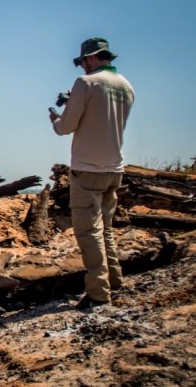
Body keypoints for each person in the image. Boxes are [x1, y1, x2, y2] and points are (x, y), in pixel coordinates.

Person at [49, 37, 135, 309]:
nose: (82, 67)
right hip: (114, 167)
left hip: (87, 168)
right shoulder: (126, 87)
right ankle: (115, 279)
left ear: (89, 58)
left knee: (89, 232)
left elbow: (66, 128)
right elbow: (104, 118)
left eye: (83, 62)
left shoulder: (85, 84)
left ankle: (98, 293)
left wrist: (55, 117)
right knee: (106, 229)